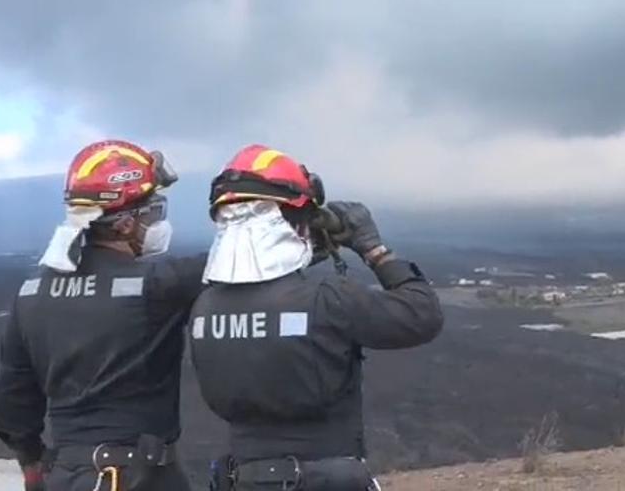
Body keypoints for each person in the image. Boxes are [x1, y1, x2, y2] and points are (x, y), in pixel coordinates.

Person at [189, 145, 444, 490]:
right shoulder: (328, 298)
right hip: (323, 476)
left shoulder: (205, 306)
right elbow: (421, 315)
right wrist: (374, 249)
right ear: (295, 218)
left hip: (241, 479)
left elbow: (263, 295)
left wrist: (306, 253)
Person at [0, 140, 204, 491]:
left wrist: (33, 464)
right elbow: (238, 264)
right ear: (123, 224)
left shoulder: (30, 292)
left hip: (66, 474)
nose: (155, 222)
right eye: (150, 213)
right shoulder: (156, 284)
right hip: (140, 476)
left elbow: (12, 404)